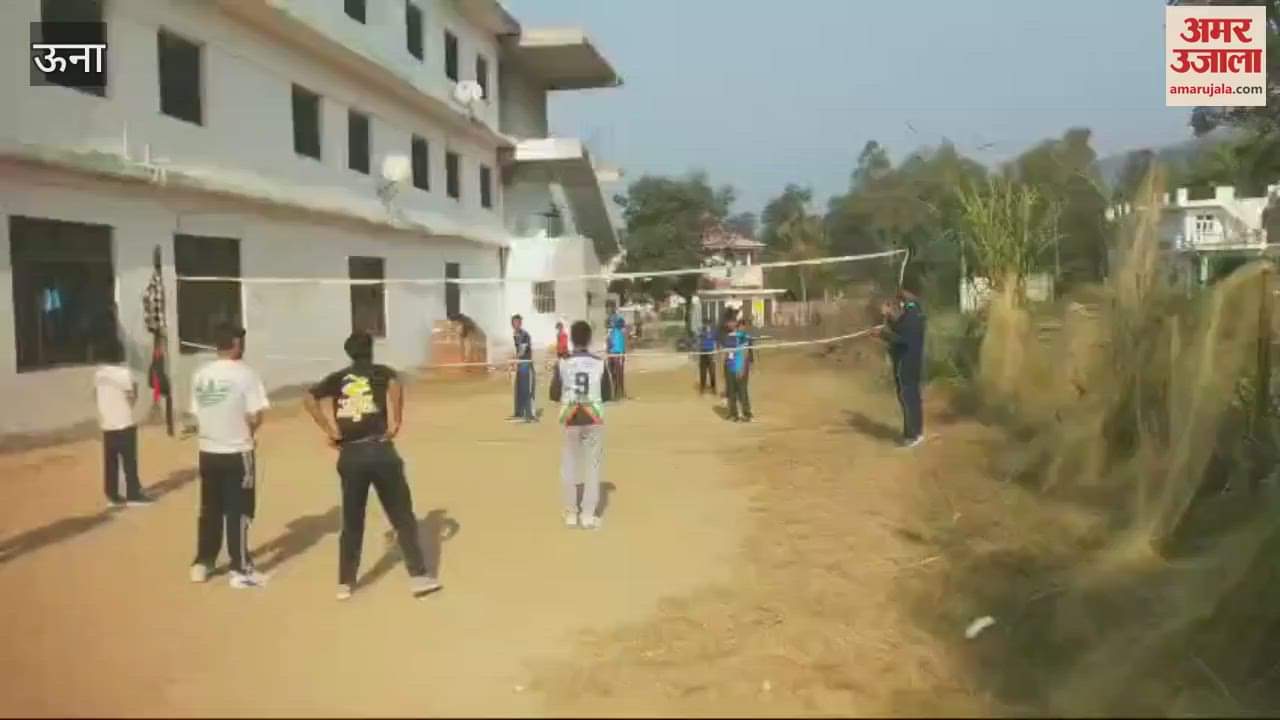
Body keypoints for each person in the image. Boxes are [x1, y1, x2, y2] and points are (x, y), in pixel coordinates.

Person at [303, 332, 440, 601]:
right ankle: (419, 576)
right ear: (371, 350)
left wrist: (330, 430)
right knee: (402, 515)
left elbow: (309, 399)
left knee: (353, 520)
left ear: (349, 353)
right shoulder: (381, 372)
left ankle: (345, 582)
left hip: (351, 453)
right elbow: (396, 386)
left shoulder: (338, 378)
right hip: (379, 449)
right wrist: (396, 419)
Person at [188, 324, 270, 589]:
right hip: (237, 451)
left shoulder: (201, 375)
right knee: (240, 510)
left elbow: (198, 412)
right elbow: (256, 415)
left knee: (209, 508)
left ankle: (203, 562)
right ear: (236, 344)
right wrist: (248, 430)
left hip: (208, 451)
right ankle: (241, 567)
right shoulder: (246, 374)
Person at [550, 320, 613, 530]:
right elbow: (607, 394)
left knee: (569, 466)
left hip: (571, 416)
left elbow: (553, 394)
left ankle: (570, 513)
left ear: (572, 339)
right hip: (593, 417)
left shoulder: (563, 363)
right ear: (589, 339)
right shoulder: (599, 362)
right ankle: (587, 515)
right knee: (592, 467)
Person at [94, 333, 151, 508]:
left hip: (107, 423)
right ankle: (133, 493)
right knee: (129, 460)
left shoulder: (98, 374)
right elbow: (132, 397)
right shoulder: (123, 373)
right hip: (123, 421)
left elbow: (96, 395)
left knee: (110, 462)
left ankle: (112, 495)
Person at [880, 279, 927, 448]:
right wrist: (888, 317)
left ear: (910, 292)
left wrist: (882, 335)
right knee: (906, 396)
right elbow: (900, 327)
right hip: (906, 359)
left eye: (902, 291)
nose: (900, 294)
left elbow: (903, 339)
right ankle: (911, 432)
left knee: (909, 397)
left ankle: (914, 435)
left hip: (908, 360)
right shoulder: (911, 310)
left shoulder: (914, 313)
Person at [723, 315, 754, 422]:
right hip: (729, 365)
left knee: (742, 390)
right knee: (731, 390)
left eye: (732, 322)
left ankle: (747, 413)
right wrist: (726, 366)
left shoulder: (742, 335)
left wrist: (740, 368)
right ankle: (733, 413)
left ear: (735, 323)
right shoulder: (727, 336)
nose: (729, 324)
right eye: (728, 322)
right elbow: (727, 353)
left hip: (739, 364)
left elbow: (744, 352)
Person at [508, 314, 537, 423]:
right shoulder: (515, 334)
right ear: (512, 324)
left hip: (526, 364)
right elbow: (516, 351)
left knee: (527, 390)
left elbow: (522, 350)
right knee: (518, 389)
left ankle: (530, 415)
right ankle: (519, 413)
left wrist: (514, 359)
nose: (517, 324)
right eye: (515, 322)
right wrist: (513, 362)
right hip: (520, 364)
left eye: (518, 322)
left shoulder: (524, 335)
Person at [606, 313, 627, 401]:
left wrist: (608, 347)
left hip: (615, 355)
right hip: (619, 355)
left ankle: (616, 393)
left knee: (614, 375)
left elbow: (609, 345)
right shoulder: (620, 333)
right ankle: (620, 392)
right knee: (619, 375)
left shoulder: (613, 333)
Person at [697, 322, 718, 395]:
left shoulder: (714, 333)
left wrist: (715, 352)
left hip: (711, 353)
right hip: (703, 353)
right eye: (705, 324)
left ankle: (713, 388)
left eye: (708, 324)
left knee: (712, 372)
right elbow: (699, 340)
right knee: (703, 372)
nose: (706, 326)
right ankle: (702, 388)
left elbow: (716, 341)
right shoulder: (701, 332)